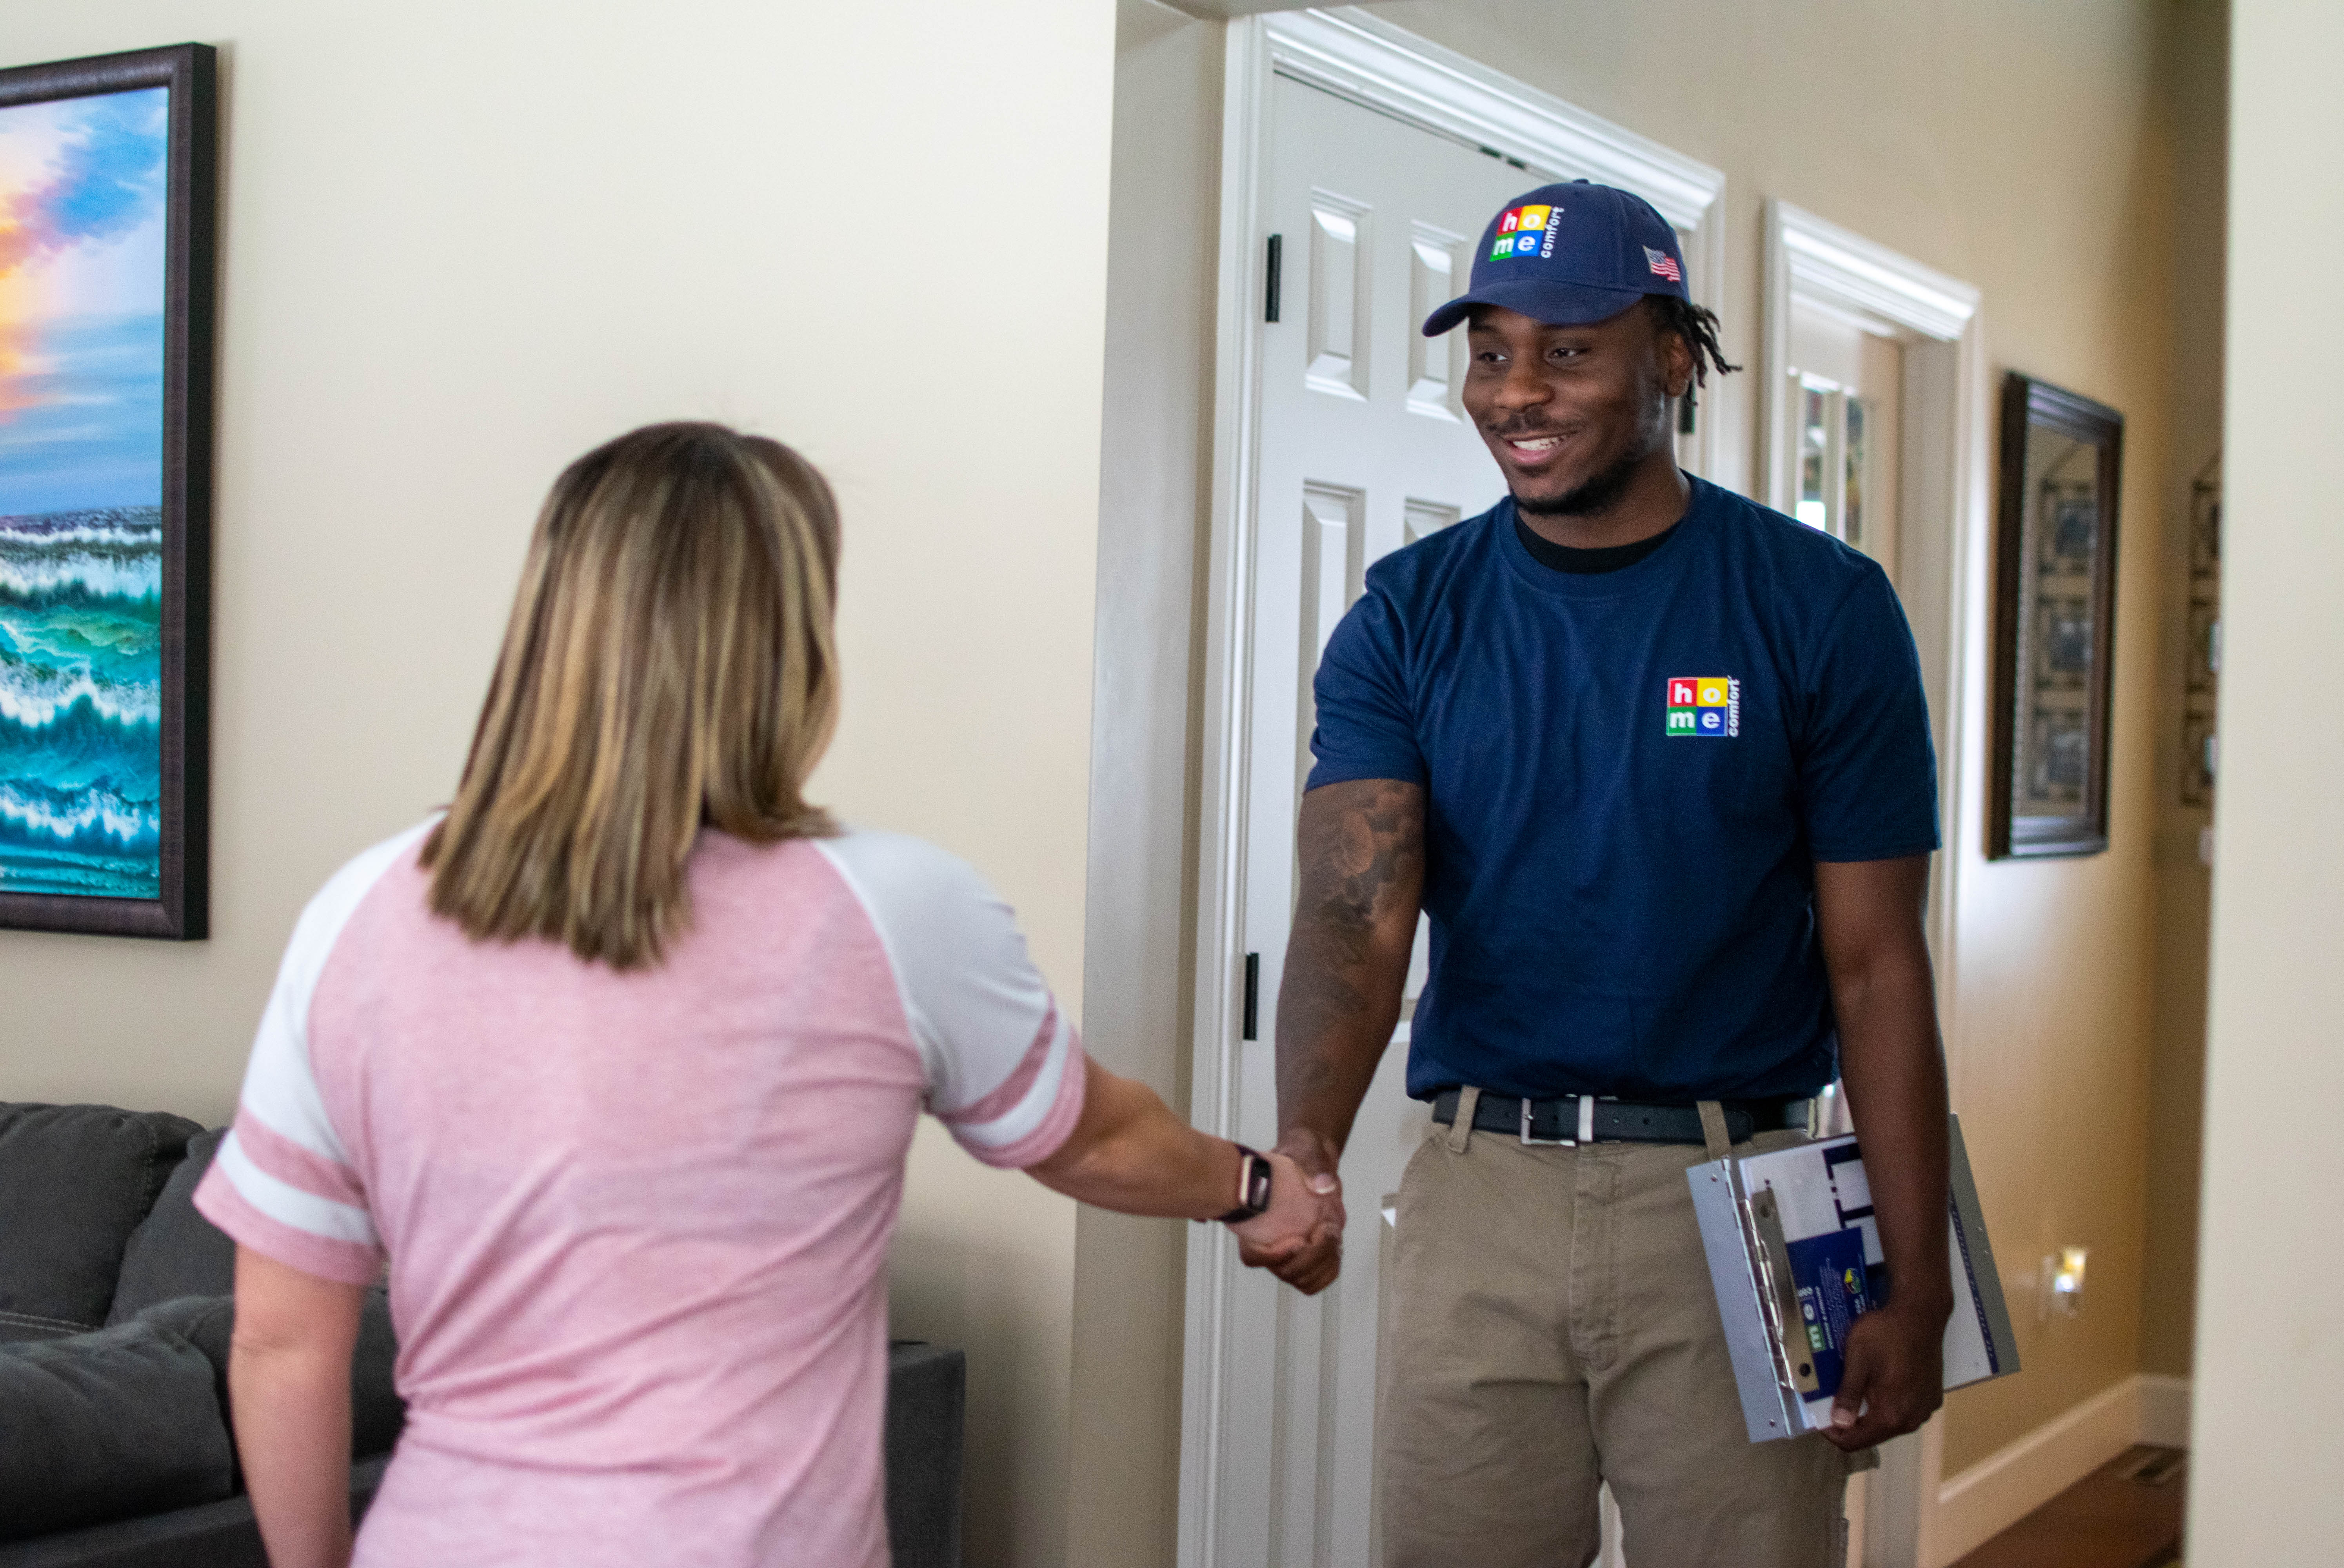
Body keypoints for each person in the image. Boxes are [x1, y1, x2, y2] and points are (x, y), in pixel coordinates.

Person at [191, 423, 1332, 1568]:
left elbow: (283, 1340)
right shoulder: (895, 912)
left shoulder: (357, 915)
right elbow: (1095, 1140)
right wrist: (1256, 1190)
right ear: (793, 643)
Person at [1242, 181, 1953, 1566]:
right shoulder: (1409, 615)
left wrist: (1915, 1283)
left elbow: (1877, 968)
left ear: (1671, 357)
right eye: (1492, 350)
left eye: (1567, 349)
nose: (1517, 391)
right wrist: (1310, 1143)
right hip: (1476, 1198)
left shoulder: (1817, 607)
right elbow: (1350, 915)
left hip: (1736, 1198)